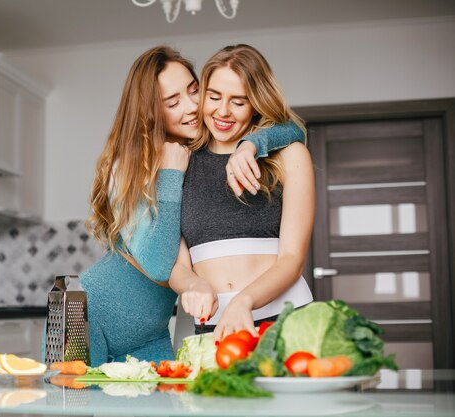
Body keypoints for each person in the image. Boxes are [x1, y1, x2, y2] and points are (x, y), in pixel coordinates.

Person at [81, 46, 305, 366]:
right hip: (93, 316)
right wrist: (172, 174)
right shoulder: (127, 167)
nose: (191, 107)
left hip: (152, 333)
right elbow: (160, 265)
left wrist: (252, 143)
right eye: (173, 102)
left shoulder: (191, 149)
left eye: (194, 91)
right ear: (150, 112)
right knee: (72, 405)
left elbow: (292, 130)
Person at [169, 44, 315, 342]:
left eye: (238, 101)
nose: (222, 111)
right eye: (213, 97)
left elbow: (292, 258)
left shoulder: (289, 156)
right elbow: (177, 263)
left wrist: (243, 301)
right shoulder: (180, 161)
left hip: (285, 320)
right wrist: (192, 286)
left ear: (256, 103)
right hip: (211, 326)